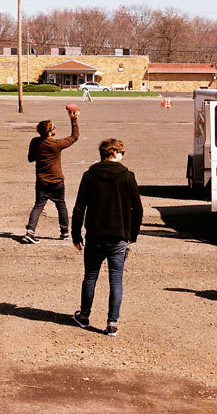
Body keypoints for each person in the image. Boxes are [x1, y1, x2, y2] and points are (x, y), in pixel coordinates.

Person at [71, 138, 143, 337]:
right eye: (122, 152)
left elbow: (79, 209)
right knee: (116, 280)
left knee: (90, 277)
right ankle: (112, 323)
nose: (123, 155)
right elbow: (138, 209)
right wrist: (133, 235)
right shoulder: (128, 176)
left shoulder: (89, 176)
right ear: (114, 153)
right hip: (119, 236)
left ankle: (84, 316)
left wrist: (75, 235)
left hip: (94, 235)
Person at [24, 109, 79, 243]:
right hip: (56, 181)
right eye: (54, 127)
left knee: (38, 205)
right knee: (61, 205)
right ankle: (65, 232)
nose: (56, 128)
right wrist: (73, 120)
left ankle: (30, 231)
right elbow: (74, 137)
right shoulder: (56, 145)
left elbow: (31, 159)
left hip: (42, 181)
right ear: (49, 132)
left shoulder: (35, 142)